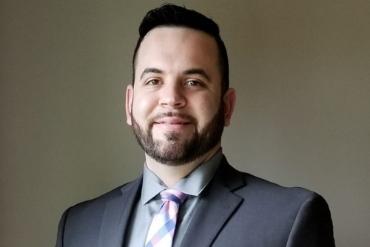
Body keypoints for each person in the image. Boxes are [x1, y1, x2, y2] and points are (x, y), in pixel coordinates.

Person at [56, 4, 335, 247]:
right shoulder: (78, 226)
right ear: (129, 103)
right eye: (153, 81)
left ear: (227, 106)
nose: (171, 99)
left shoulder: (290, 219)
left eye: (193, 82)